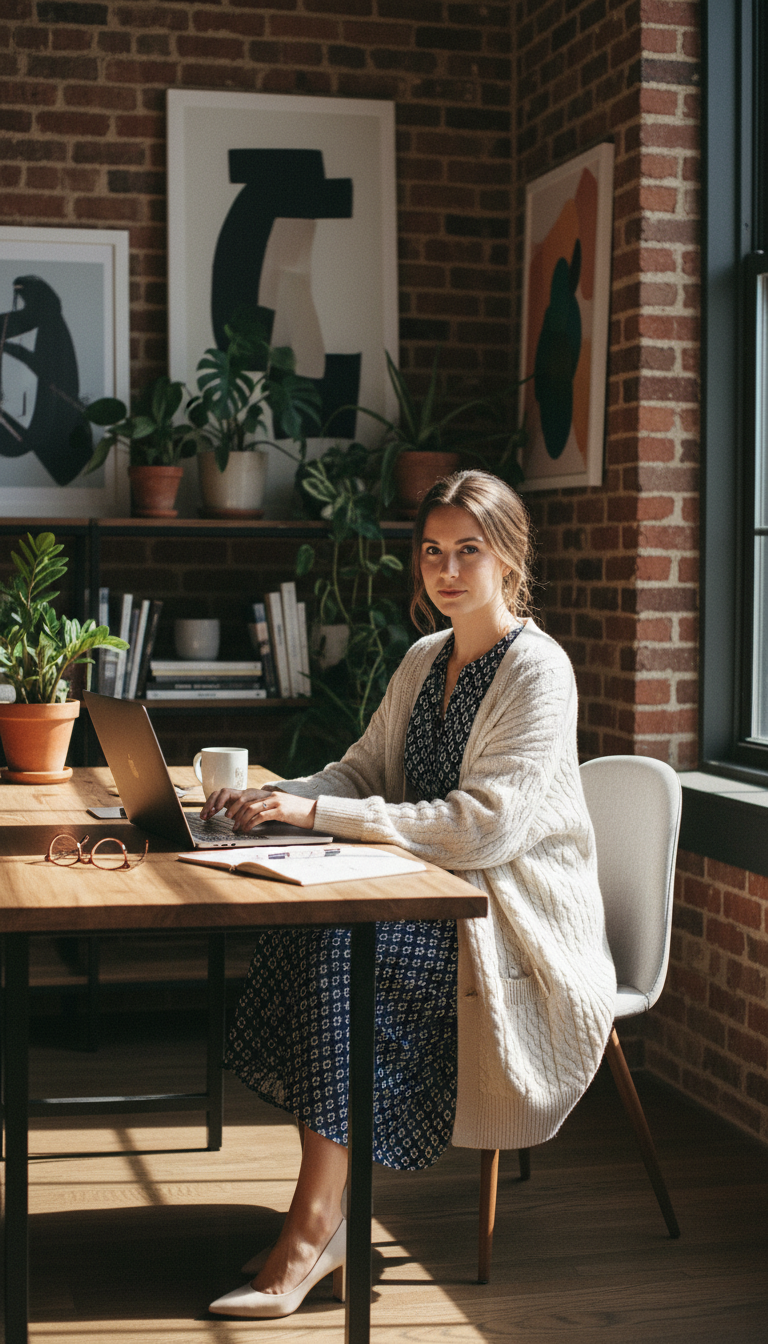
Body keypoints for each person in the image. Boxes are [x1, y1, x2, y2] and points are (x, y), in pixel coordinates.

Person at [205, 469, 616, 1319]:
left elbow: (485, 828)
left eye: (469, 550)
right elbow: (363, 770)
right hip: (431, 891)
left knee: (341, 949)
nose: (448, 570)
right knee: (304, 928)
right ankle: (325, 1218)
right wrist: (273, 800)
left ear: (509, 557)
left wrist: (318, 810)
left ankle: (315, 1228)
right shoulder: (425, 658)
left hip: (508, 917)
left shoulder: (540, 671)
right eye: (433, 551)